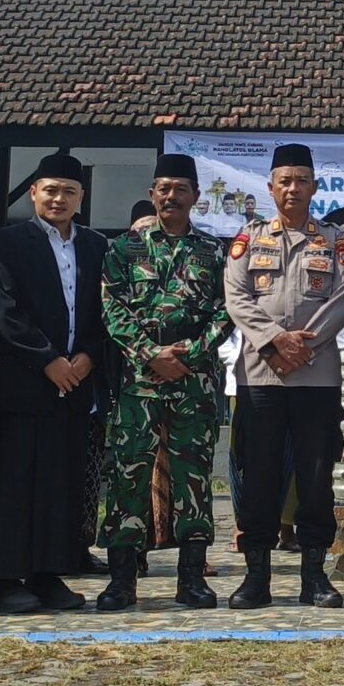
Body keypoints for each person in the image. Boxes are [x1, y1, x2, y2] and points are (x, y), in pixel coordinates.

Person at [221, 144, 344, 609]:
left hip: (316, 377)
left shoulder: (335, 241)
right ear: (271, 187)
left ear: (314, 187)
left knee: (316, 476)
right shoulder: (248, 238)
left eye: (301, 180)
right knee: (258, 474)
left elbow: (342, 300)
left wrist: (302, 346)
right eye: (285, 180)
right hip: (261, 375)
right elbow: (236, 299)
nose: (293, 188)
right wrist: (276, 340)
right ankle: (256, 576)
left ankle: (314, 576)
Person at [95, 153, 228, 610]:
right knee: (128, 475)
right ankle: (121, 581)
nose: (172, 197)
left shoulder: (212, 251)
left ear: (195, 197)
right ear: (152, 194)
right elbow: (112, 308)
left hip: (194, 382)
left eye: (181, 190)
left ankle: (192, 579)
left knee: (194, 479)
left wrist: (188, 354)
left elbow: (225, 312)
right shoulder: (124, 249)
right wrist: (150, 353)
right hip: (139, 382)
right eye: (164, 189)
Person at [0, 152, 110, 613]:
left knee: (63, 481)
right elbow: (4, 310)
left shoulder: (96, 247)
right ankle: (5, 578)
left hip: (77, 383)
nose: (58, 199)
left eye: (68, 192)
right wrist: (49, 360)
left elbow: (106, 312)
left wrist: (87, 357)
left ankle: (49, 574)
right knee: (16, 481)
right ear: (34, 192)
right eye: (50, 190)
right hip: (26, 382)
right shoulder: (8, 243)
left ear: (81, 197)